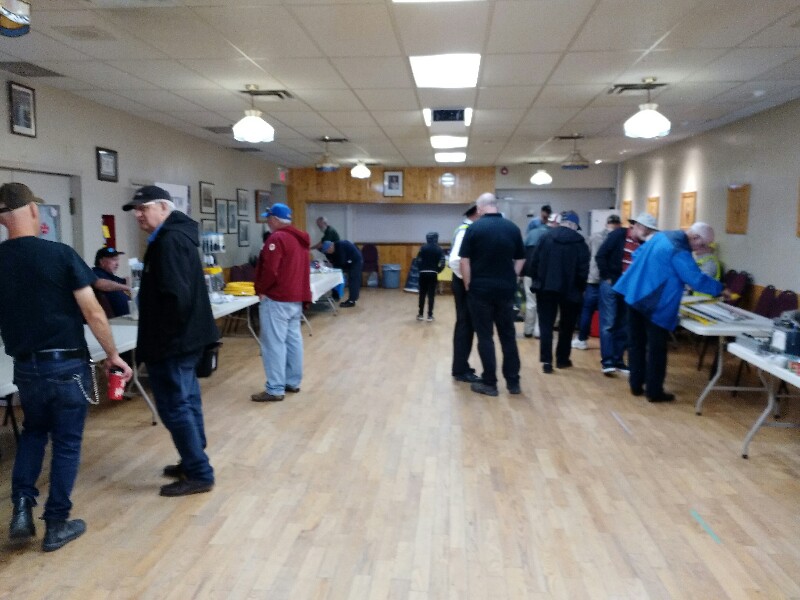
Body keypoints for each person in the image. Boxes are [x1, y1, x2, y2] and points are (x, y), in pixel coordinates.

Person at [0, 182, 132, 552]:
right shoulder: (60, 254)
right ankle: (56, 523)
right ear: (31, 211)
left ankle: (22, 507)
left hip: (26, 368)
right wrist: (113, 356)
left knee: (32, 434)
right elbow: (93, 312)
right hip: (66, 365)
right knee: (67, 445)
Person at [123, 185, 219, 497]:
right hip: (183, 340)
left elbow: (175, 298)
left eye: (144, 208)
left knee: (176, 406)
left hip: (173, 343)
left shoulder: (170, 241)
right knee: (187, 402)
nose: (138, 214)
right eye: (135, 209)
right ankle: (193, 460)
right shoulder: (175, 237)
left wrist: (159, 344)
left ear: (164, 208)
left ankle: (199, 471)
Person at [614, 222, 724, 402]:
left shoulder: (661, 236)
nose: (700, 249)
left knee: (636, 344)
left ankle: (636, 384)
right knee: (657, 349)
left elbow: (637, 254)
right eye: (702, 244)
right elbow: (695, 279)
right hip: (654, 304)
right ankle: (654, 392)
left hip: (633, 294)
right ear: (695, 237)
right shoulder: (679, 249)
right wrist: (719, 288)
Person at [459, 193, 525, 396]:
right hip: (505, 290)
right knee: (508, 336)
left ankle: (490, 383)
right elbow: (521, 258)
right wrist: (511, 277)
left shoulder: (474, 228)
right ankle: (513, 383)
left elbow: (464, 261)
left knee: (485, 337)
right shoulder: (512, 228)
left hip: (480, 290)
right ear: (494, 207)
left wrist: (469, 284)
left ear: (479, 208)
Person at [251, 203, 311, 402]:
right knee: (293, 340)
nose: (268, 222)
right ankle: (292, 381)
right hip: (295, 298)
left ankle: (275, 388)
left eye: (269, 218)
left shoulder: (276, 238)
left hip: (276, 298)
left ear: (275, 219)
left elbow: (270, 270)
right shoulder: (300, 240)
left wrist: (261, 289)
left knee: (274, 344)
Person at [594, 212, 657, 376]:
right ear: (636, 226)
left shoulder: (645, 243)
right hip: (612, 284)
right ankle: (607, 362)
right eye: (647, 229)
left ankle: (618, 360)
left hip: (629, 288)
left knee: (624, 324)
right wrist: (607, 277)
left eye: (650, 231)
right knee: (608, 323)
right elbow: (601, 255)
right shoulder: (618, 235)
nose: (648, 233)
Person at [529, 211, 590, 373]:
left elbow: (534, 262)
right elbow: (583, 271)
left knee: (546, 324)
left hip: (546, 288)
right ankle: (562, 359)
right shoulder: (580, 243)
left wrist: (538, 280)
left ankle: (547, 362)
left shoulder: (546, 238)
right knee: (567, 326)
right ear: (574, 225)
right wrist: (580, 288)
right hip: (571, 291)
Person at [572, 214, 622, 350]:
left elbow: (585, 255)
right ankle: (611, 345)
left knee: (587, 310)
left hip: (593, 278)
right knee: (610, 314)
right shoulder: (621, 238)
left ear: (607, 223)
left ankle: (582, 339)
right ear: (619, 224)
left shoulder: (594, 237)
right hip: (612, 280)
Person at [449, 205, 481, 383]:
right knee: (465, 325)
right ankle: (460, 369)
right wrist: (467, 281)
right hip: (464, 284)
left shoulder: (465, 228)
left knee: (466, 325)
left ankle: (461, 366)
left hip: (463, 283)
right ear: (477, 213)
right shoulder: (466, 231)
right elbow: (455, 261)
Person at [521, 212, 559, 338]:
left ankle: (528, 330)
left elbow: (523, 254)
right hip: (545, 274)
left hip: (528, 272)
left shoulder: (531, 233)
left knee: (530, 302)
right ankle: (539, 331)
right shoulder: (554, 235)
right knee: (543, 303)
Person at [321, 239, 363, 307]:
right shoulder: (334, 248)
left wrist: (333, 267)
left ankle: (352, 301)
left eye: (327, 251)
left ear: (331, 246)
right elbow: (335, 261)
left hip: (356, 260)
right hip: (349, 261)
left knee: (353, 279)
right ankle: (337, 295)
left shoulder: (340, 246)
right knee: (347, 277)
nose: (327, 252)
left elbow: (341, 262)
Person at [92, 246, 131, 317]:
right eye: (114, 260)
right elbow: (99, 283)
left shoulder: (109, 275)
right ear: (101, 261)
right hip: (116, 322)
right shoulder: (96, 273)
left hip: (127, 317)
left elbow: (126, 280)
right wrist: (126, 287)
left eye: (117, 260)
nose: (117, 264)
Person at [416, 231, 445, 322]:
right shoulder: (439, 249)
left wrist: (420, 268)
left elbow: (418, 260)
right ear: (436, 238)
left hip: (423, 273)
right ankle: (430, 315)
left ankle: (420, 314)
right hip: (433, 273)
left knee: (422, 294)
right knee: (431, 295)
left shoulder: (422, 248)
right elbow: (443, 262)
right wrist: (438, 270)